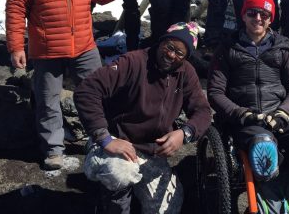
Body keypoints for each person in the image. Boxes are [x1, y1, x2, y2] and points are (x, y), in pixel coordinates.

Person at [5, 0, 141, 170]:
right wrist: (16, 47)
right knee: (48, 100)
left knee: (98, 95)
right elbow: (15, 11)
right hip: (47, 49)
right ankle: (53, 150)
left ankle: (99, 139)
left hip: (84, 47)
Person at [207, 0, 289, 210]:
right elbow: (215, 92)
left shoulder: (284, 47)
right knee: (264, 149)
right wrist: (240, 113)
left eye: (264, 14)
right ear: (243, 15)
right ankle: (273, 184)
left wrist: (284, 112)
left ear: (271, 18)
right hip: (246, 119)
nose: (258, 19)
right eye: (253, 13)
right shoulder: (227, 48)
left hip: (280, 115)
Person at [74, 22, 212, 214]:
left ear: (186, 57)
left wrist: (184, 133)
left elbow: (203, 111)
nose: (172, 55)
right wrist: (104, 138)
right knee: (119, 174)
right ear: (161, 41)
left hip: (151, 153)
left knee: (168, 209)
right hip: (117, 143)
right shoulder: (133, 61)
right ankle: (110, 205)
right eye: (169, 47)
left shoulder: (186, 73)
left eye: (179, 53)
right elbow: (87, 90)